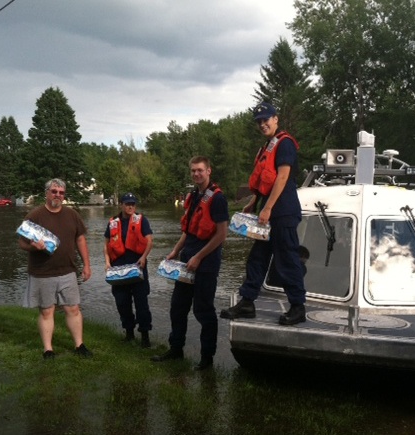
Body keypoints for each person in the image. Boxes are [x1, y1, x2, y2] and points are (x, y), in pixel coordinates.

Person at [220, 101, 307, 325]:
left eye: (266, 119)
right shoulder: (267, 146)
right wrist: (254, 202)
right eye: (259, 121)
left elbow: (282, 177)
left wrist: (268, 208)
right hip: (267, 214)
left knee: (287, 259)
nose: (262, 124)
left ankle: (298, 307)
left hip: (283, 213)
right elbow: (263, 182)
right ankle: (247, 302)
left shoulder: (284, 144)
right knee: (257, 259)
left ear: (275, 119)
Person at [151, 156, 229, 370]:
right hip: (187, 260)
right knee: (178, 307)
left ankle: (207, 359)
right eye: (193, 170)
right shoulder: (193, 196)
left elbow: (221, 235)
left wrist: (198, 257)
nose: (196, 174)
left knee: (203, 310)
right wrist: (175, 250)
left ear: (209, 171)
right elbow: (189, 231)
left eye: (200, 170)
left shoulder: (218, 198)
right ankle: (176, 349)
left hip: (207, 262)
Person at [18, 178, 93, 359]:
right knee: (46, 311)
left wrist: (87, 265)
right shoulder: (35, 215)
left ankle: (79, 345)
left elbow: (80, 239)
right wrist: (33, 247)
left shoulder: (72, 215)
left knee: (73, 309)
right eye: (54, 191)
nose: (57, 195)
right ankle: (48, 349)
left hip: (68, 270)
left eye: (61, 192)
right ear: (46, 193)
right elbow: (21, 242)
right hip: (42, 272)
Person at [103, 192, 153, 348]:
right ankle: (129, 333)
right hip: (118, 269)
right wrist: (107, 263)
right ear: (121, 205)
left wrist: (144, 257)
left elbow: (150, 241)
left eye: (132, 204)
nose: (130, 206)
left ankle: (145, 337)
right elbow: (106, 244)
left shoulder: (141, 220)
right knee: (122, 303)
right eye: (127, 203)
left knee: (141, 304)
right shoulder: (112, 222)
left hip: (137, 267)